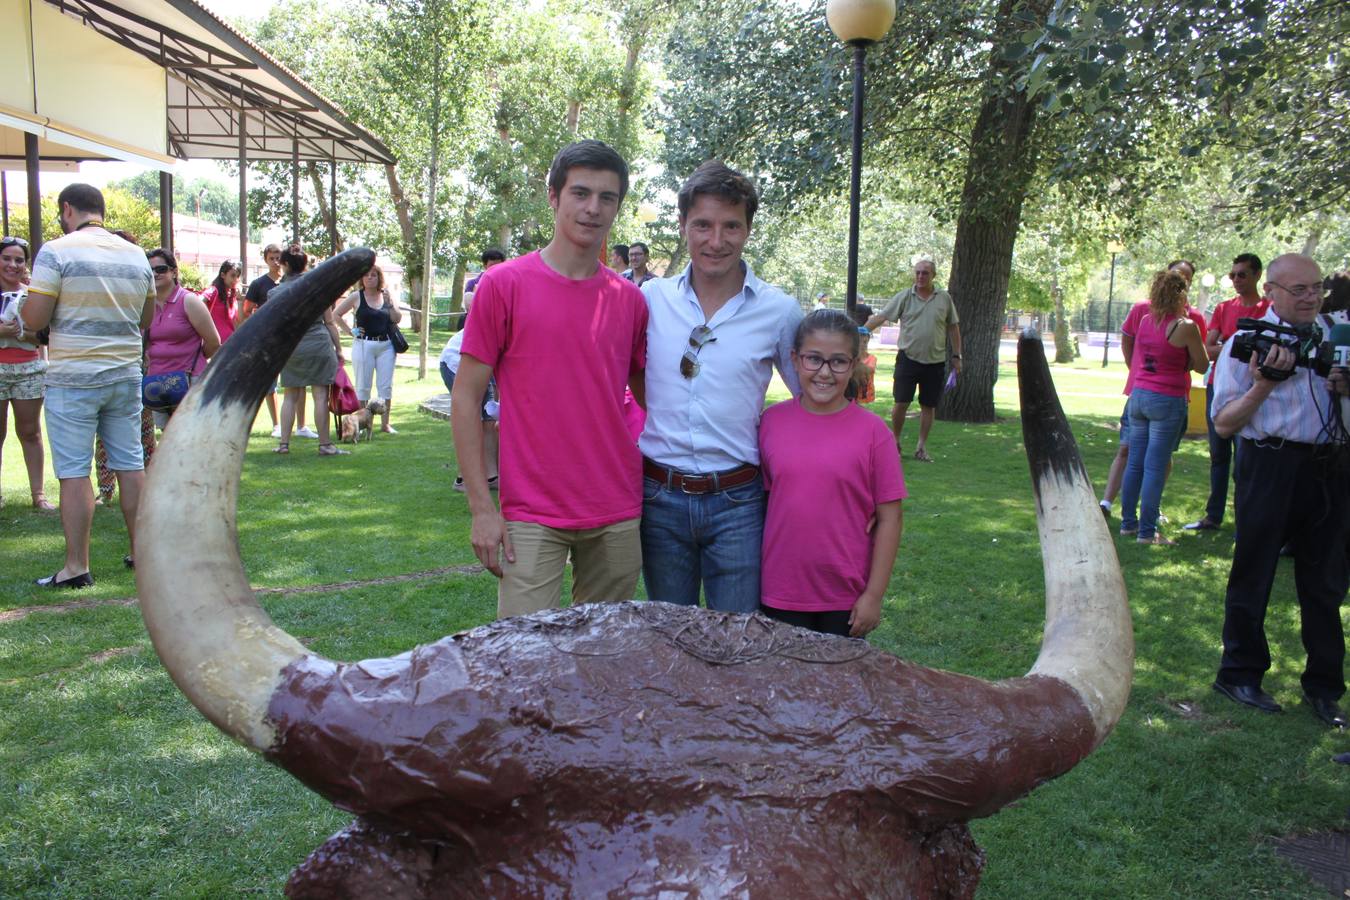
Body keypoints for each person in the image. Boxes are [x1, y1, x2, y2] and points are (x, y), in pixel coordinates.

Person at [452, 140, 648, 618]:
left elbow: (652, 397)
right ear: (553, 196)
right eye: (580, 193)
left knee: (602, 659)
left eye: (607, 198)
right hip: (531, 512)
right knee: (519, 662)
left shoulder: (630, 301)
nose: (593, 208)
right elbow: (466, 398)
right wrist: (482, 507)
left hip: (617, 507)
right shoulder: (504, 286)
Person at [638, 160, 802, 613]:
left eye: (731, 226)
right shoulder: (649, 300)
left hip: (738, 503)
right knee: (672, 638)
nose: (716, 241)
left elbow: (813, 402)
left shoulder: (779, 311)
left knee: (741, 639)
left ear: (748, 229)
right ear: (682, 225)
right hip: (658, 498)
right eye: (703, 225)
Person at [1210, 253, 1350, 727]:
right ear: (1271, 292)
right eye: (1299, 290)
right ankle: (1240, 673)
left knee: (1326, 580)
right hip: (1270, 464)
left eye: (1316, 288)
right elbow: (1224, 424)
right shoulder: (1242, 342)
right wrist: (1264, 386)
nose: (1312, 297)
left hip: (1331, 467)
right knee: (1254, 570)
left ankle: (1325, 686)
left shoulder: (1337, 337)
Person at [20, 184, 154, 588]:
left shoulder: (57, 251)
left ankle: (77, 566)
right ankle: (144, 555)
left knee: (74, 471)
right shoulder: (136, 255)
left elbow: (35, 317)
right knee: (132, 464)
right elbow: (145, 318)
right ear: (101, 211)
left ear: (67, 210)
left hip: (74, 376)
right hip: (124, 375)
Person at [759, 310, 905, 637]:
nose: (824, 372)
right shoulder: (771, 422)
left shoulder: (874, 433)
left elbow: (891, 518)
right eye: (814, 359)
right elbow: (768, 499)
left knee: (839, 686)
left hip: (845, 597)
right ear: (795, 360)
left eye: (838, 361)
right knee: (784, 685)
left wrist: (874, 596)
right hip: (780, 591)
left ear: (854, 364)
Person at [1099, 259, 1206, 519]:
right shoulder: (1174, 322)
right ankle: (1142, 526)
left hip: (1150, 395)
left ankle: (1132, 520)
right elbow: (1202, 364)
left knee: (1144, 460)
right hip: (1162, 397)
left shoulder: (1159, 319)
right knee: (1148, 461)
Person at [1184, 253, 1269, 532]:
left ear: (1257, 275)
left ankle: (1247, 518)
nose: (1235, 280)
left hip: (1253, 391)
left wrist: (1229, 344)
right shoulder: (1223, 308)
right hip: (1218, 388)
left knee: (1247, 458)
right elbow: (1208, 350)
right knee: (1219, 455)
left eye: (1241, 275)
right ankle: (1213, 516)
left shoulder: (1268, 309)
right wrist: (1238, 343)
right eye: (1232, 275)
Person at [864, 258, 962, 462]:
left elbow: (953, 326)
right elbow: (882, 317)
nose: (920, 276)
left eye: (925, 273)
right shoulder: (904, 297)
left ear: (933, 276)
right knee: (901, 403)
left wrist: (957, 356)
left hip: (935, 361)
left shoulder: (944, 298)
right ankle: (895, 443)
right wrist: (861, 332)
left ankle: (921, 447)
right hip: (908, 359)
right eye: (917, 272)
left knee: (929, 406)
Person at [273, 243, 346, 456]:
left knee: (290, 396)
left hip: (291, 348)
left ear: (285, 264)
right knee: (320, 395)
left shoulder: (275, 293)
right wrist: (339, 349)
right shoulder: (318, 290)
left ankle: (284, 444)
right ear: (304, 264)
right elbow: (330, 322)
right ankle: (325, 445)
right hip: (318, 344)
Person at [0, 235, 54, 511]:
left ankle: (39, 495)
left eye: (19, 260)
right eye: (6, 258)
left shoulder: (33, 294)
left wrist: (23, 332)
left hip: (28, 368)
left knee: (30, 431)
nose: (13, 265)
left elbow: (44, 335)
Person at [241, 243, 311, 438]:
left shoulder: (295, 281)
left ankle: (302, 425)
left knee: (297, 382)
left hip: (293, 339)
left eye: (278, 258)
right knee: (270, 385)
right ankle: (276, 425)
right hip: (269, 340)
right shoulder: (259, 284)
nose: (275, 262)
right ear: (265, 259)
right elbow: (246, 311)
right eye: (271, 258)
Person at [144, 249, 220, 426]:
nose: (155, 274)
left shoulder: (189, 301)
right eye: (150, 270)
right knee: (168, 438)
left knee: (191, 435)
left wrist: (192, 361)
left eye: (161, 269)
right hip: (157, 382)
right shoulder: (146, 304)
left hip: (188, 379)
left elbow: (213, 342)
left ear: (174, 271)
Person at [440, 294, 498, 493]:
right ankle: (462, 478)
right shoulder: (493, 320)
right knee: (470, 419)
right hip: (457, 363)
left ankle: (491, 476)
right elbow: (467, 297)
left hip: (479, 362)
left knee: (488, 420)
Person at [335, 264, 401, 434]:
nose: (370, 278)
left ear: (379, 278)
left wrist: (389, 303)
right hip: (364, 344)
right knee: (363, 385)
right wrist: (351, 331)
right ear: (362, 279)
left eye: (374, 275)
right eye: (366, 275)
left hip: (386, 345)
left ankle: (385, 424)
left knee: (385, 386)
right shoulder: (357, 296)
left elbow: (396, 318)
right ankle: (362, 422)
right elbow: (336, 314)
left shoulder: (385, 295)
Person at [200, 259, 243, 345]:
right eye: (233, 275)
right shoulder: (213, 291)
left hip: (230, 343)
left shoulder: (232, 294)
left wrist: (239, 300)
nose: (235, 279)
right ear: (223, 275)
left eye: (237, 276)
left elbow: (239, 321)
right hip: (215, 345)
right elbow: (198, 301)